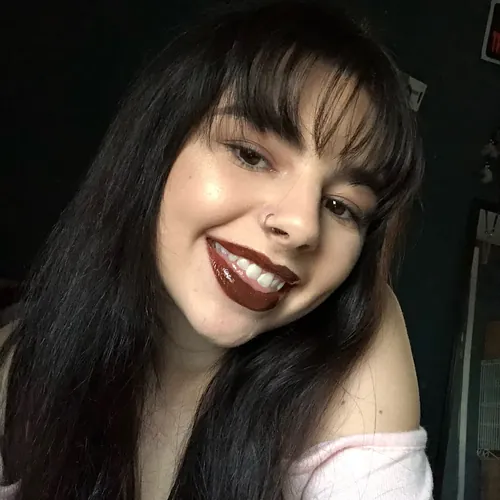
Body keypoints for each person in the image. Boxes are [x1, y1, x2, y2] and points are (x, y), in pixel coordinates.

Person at [0, 1, 432, 498]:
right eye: (250, 155)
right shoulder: (20, 368)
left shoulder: (355, 356)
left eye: (341, 206)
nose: (301, 226)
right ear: (157, 147)